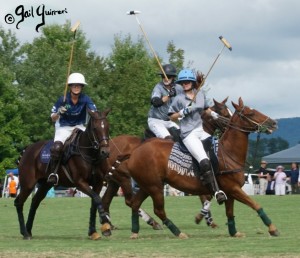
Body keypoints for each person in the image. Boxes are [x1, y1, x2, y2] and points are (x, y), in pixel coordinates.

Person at [168, 68, 227, 205]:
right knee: (204, 160)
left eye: (187, 82)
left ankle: (218, 179)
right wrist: (182, 112)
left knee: (216, 151)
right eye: (182, 82)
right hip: (188, 134)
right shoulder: (178, 99)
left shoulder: (200, 94)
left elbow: (205, 109)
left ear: (192, 82)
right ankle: (215, 191)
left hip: (200, 130)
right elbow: (171, 116)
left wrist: (214, 115)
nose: (185, 84)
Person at [47, 72, 97, 185]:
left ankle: (95, 171)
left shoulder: (85, 99)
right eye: (74, 85)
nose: (76, 87)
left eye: (79, 85)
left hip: (79, 126)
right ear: (69, 86)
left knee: (93, 143)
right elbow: (53, 118)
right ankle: (53, 173)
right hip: (63, 127)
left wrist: (96, 114)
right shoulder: (63, 99)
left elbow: (94, 111)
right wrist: (59, 112)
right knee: (56, 148)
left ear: (82, 87)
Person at [147, 64, 183, 140]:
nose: (165, 78)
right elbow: (155, 102)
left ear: (173, 77)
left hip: (168, 121)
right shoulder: (158, 87)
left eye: (168, 76)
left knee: (183, 137)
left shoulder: (178, 88)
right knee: (168, 140)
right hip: (155, 121)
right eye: (163, 76)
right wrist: (169, 95)